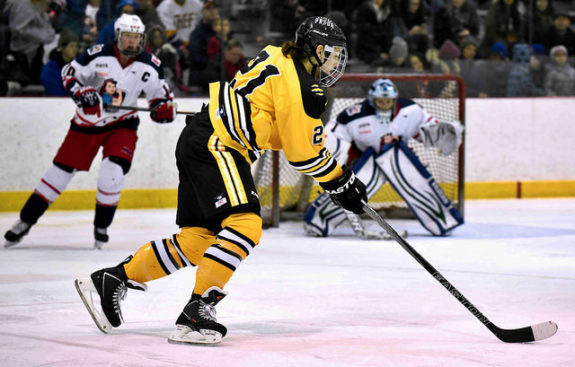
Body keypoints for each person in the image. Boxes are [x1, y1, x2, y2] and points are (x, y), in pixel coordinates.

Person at [73, 16, 366, 345]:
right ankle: (197, 311)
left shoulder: (277, 55)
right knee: (246, 224)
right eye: (332, 53)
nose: (335, 61)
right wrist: (342, 182)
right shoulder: (303, 86)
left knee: (198, 241)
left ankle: (113, 279)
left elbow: (275, 130)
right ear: (316, 49)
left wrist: (332, 174)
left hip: (199, 138)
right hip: (219, 145)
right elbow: (303, 155)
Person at [3, 14, 175, 249]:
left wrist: (162, 109)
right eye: (128, 37)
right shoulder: (97, 55)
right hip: (87, 124)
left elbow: (162, 97)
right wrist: (81, 93)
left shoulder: (151, 65)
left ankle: (101, 226)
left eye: (137, 38)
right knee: (58, 176)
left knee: (112, 173)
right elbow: (68, 74)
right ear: (117, 37)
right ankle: (24, 221)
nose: (133, 43)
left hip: (122, 125)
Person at [304, 78, 464, 239]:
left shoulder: (411, 110)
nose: (384, 104)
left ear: (395, 100)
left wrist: (440, 133)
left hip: (397, 159)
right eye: (380, 101)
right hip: (365, 162)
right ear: (372, 100)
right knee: (349, 194)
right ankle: (318, 221)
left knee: (418, 184)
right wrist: (327, 148)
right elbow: (332, 135)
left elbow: (426, 129)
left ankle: (443, 221)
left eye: (388, 101)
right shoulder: (354, 115)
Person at [40, 31, 79, 96]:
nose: (75, 49)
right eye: (71, 46)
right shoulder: (51, 67)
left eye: (76, 46)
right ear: (62, 48)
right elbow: (54, 91)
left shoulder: (78, 65)